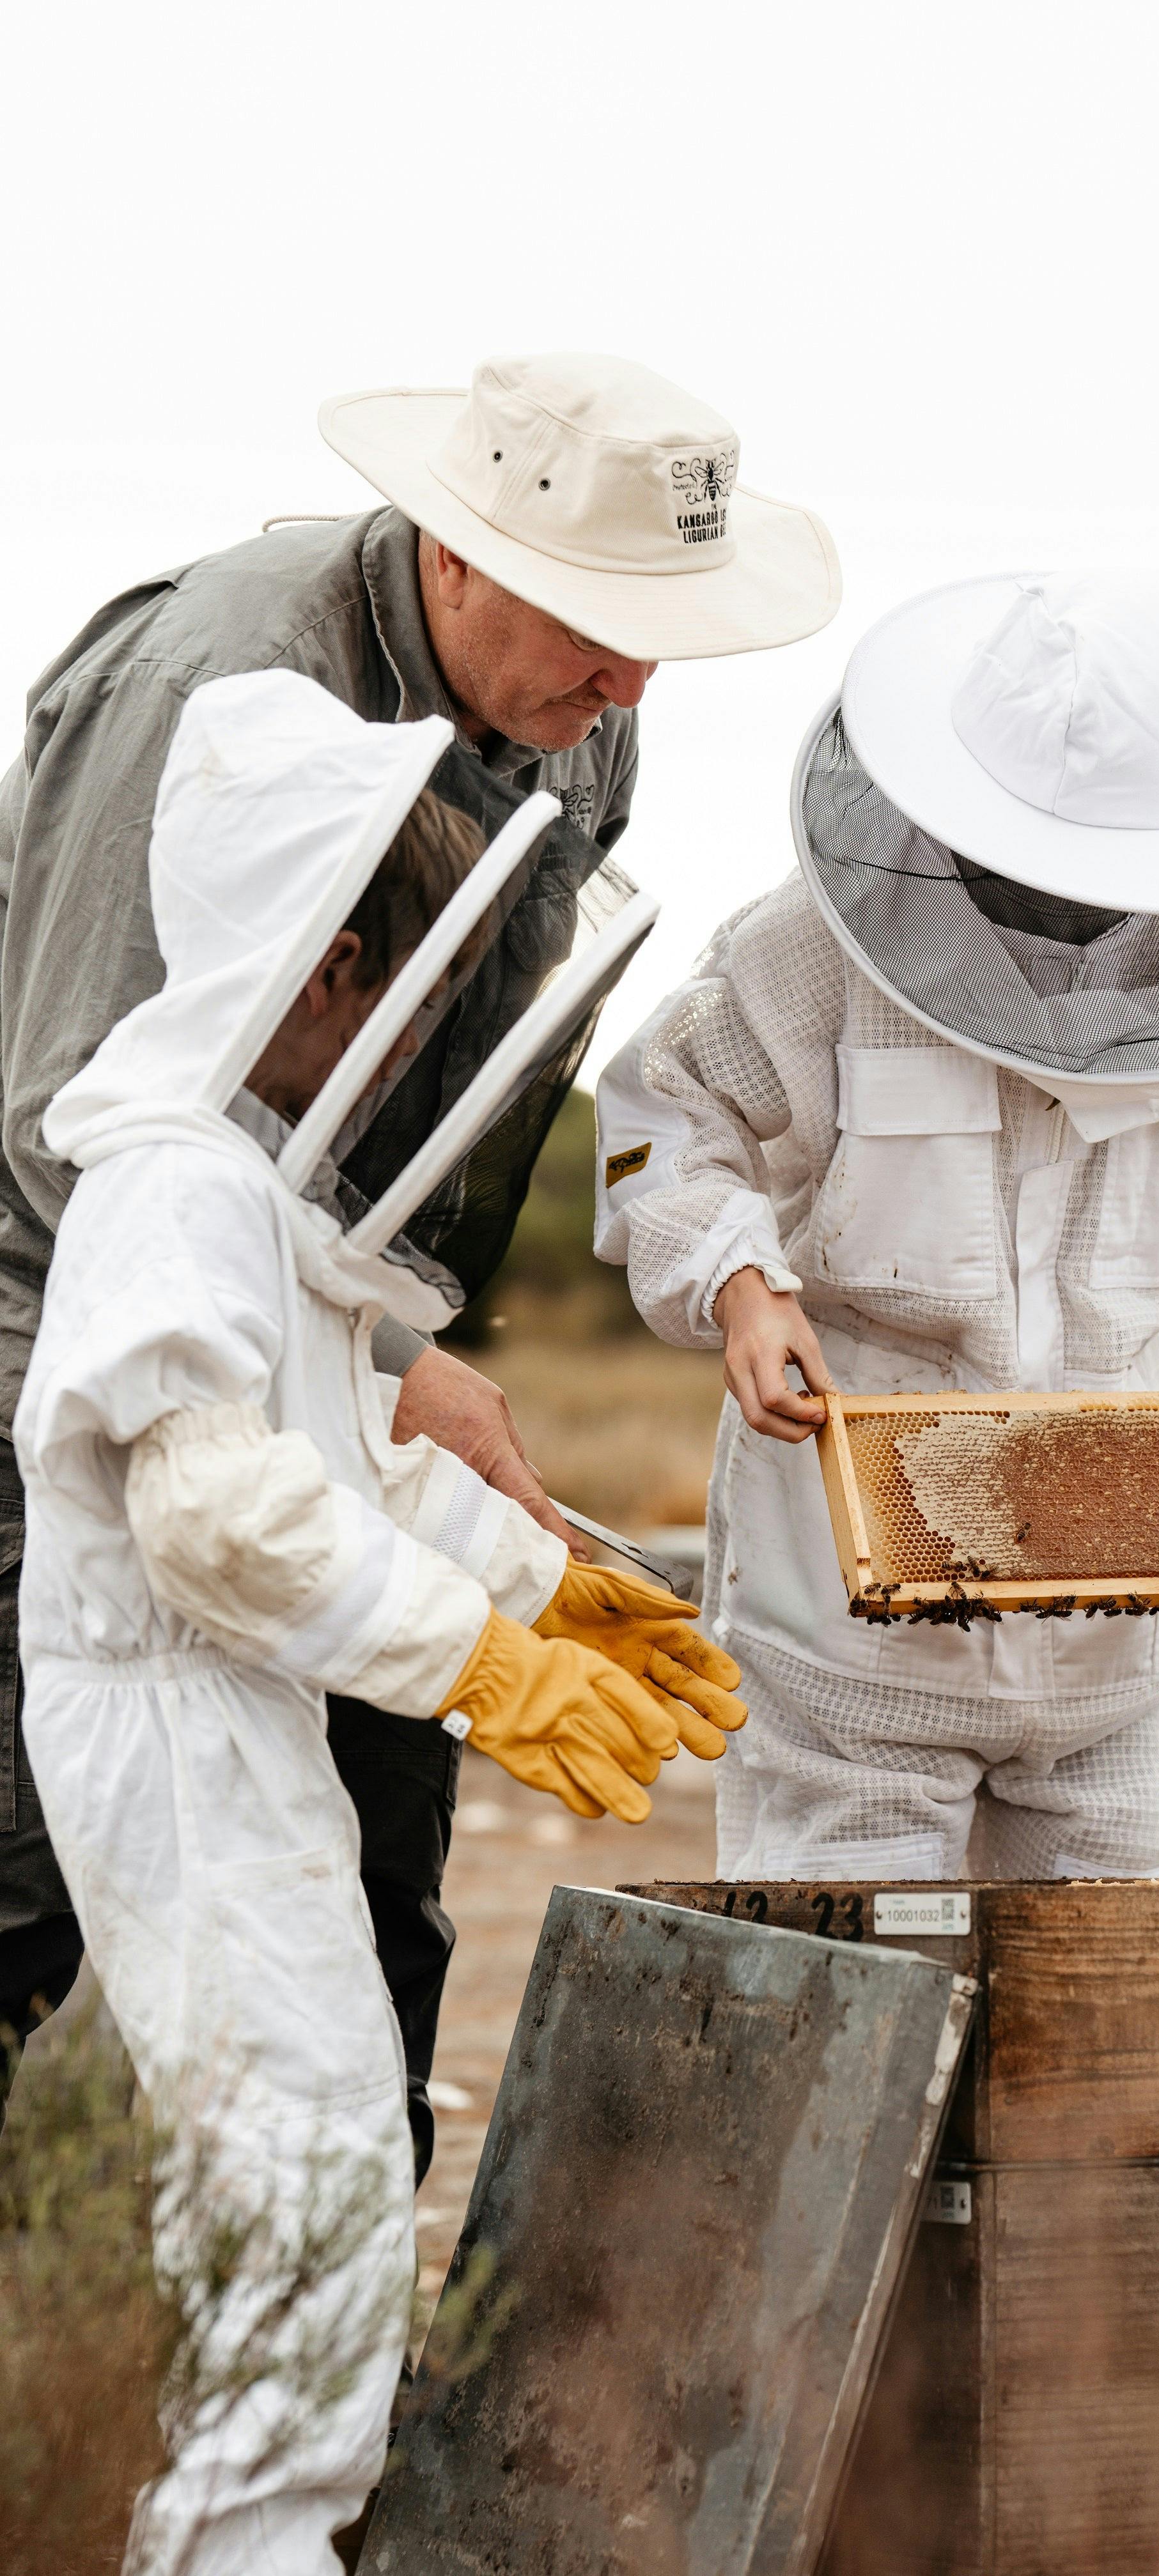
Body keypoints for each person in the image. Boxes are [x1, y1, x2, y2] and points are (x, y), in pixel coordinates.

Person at [0, 349, 837, 2171]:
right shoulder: (217, 678)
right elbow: (66, 1117)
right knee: (50, 1868)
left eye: (656, 635)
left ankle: (337, 2335)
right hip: (69, 1313)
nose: (626, 681)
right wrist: (377, 1370)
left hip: (324, 1312)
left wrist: (494, 1563)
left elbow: (448, 1074)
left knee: (374, 1852)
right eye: (601, 624)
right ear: (457, 554)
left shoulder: (583, 703)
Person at [17, 667, 745, 2576]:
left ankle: (252, 2534)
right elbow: (217, 1518)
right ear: (327, 963)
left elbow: (333, 1473)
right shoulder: (172, 1189)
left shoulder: (250, 1196)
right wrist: (477, 1663)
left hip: (224, 1716)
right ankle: (239, 2547)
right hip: (171, 1723)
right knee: (297, 2164)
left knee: (322, 2137)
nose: (440, 1032)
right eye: (424, 983)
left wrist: (551, 1580)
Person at [594, 569, 1159, 1883]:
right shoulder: (807, 952)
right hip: (852, 1584)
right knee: (853, 1985)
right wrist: (739, 1282)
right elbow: (660, 1126)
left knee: (1102, 2012)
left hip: (1121, 1595)